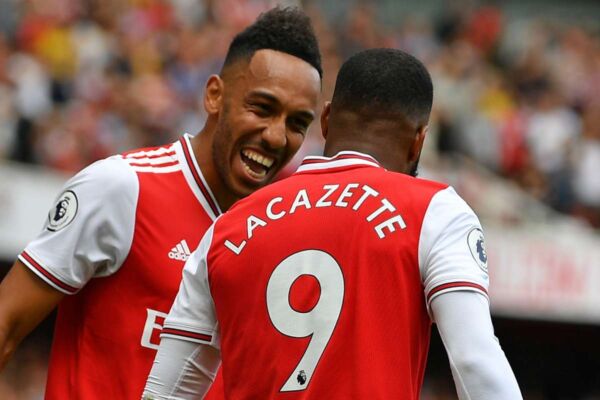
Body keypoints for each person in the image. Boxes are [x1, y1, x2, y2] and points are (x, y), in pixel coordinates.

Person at [143, 48, 523, 399]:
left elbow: (168, 390)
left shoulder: (228, 227)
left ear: (325, 120)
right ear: (418, 142)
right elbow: (474, 361)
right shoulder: (434, 211)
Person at [0, 7, 322, 399]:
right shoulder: (122, 188)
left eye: (297, 123)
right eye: (262, 108)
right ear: (215, 96)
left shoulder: (274, 238)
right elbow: (6, 323)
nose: (276, 136)